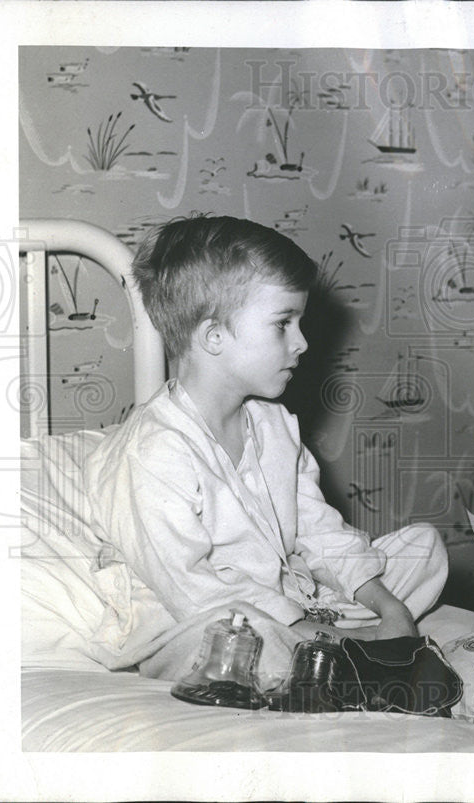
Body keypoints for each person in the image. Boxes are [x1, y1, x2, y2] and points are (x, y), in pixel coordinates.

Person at [85, 216, 447, 640]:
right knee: (232, 639)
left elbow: (317, 529)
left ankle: (324, 647)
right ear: (214, 336)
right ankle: (323, 650)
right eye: (282, 324)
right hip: (203, 619)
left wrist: (387, 607)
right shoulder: (153, 452)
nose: (302, 343)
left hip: (288, 599)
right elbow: (190, 590)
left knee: (425, 548)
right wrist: (340, 636)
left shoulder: (273, 423)